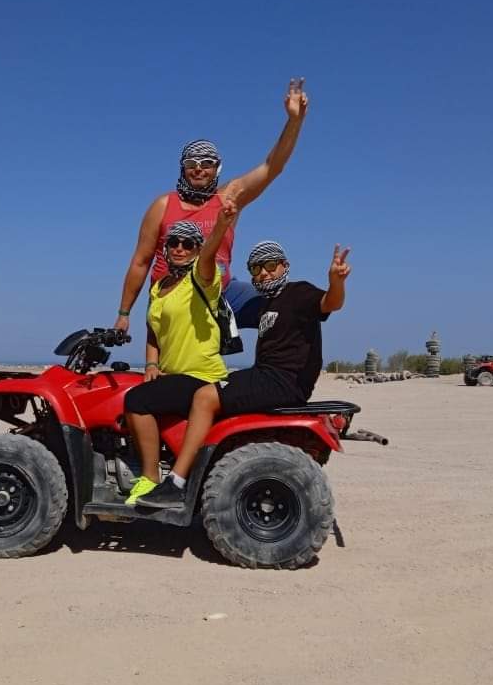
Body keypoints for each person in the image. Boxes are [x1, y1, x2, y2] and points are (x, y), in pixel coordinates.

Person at [136, 240, 351, 508]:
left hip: (281, 380)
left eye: (270, 265)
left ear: (284, 266)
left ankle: (176, 484)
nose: (264, 273)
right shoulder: (266, 303)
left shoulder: (298, 292)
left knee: (204, 397)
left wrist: (336, 282)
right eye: (256, 269)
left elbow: (330, 303)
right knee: (211, 391)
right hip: (265, 375)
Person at [113, 79, 309, 333]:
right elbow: (140, 262)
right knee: (176, 358)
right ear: (183, 168)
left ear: (217, 169)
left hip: (223, 293)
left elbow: (272, 167)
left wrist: (294, 121)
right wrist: (124, 313)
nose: (199, 168)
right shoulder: (162, 205)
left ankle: (275, 360)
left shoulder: (228, 198)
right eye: (191, 163)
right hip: (173, 300)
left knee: (287, 306)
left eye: (206, 163)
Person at [121, 199, 239, 505]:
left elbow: (210, 253)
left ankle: (151, 479)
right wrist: (151, 364)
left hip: (201, 376)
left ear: (197, 249)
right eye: (173, 242)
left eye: (188, 244)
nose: (180, 248)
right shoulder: (159, 286)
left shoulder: (201, 278)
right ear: (166, 248)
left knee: (136, 401)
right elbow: (153, 330)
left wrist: (221, 225)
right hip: (172, 375)